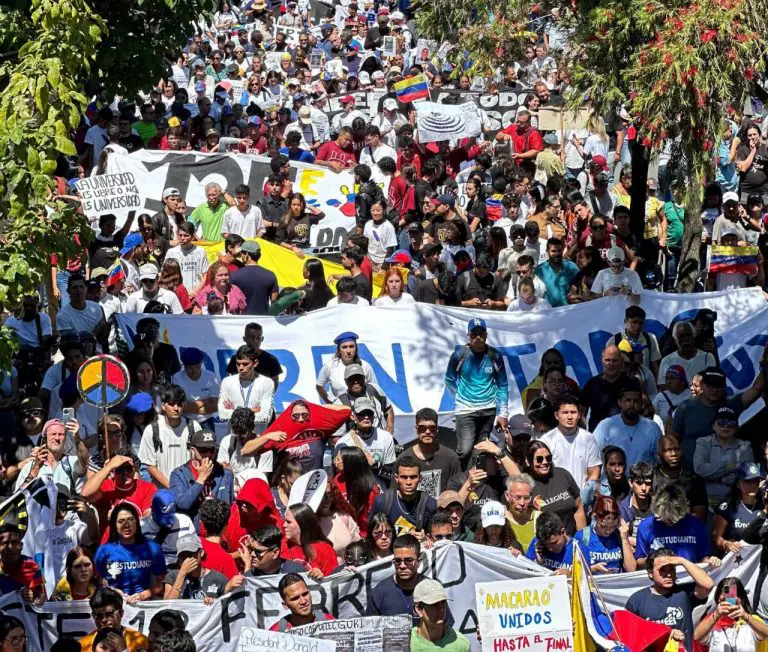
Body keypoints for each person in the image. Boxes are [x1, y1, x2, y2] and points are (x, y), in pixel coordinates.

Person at [444, 317, 509, 469]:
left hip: (488, 409)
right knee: (465, 449)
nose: (478, 337)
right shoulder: (459, 354)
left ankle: (479, 483)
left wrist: (503, 413)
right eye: (474, 334)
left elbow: (502, 385)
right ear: (468, 335)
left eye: (481, 333)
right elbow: (449, 379)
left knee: (482, 449)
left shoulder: (495, 356)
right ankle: (459, 480)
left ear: (486, 335)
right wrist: (458, 398)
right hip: (465, 410)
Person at [673, 364, 765, 468]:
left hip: (724, 474)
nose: (715, 390)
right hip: (689, 473)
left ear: (725, 387)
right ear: (702, 385)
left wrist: (765, 365)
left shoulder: (731, 404)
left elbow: (756, 389)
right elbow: (674, 439)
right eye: (711, 386)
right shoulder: (686, 407)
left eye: (719, 386)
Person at [625, 548, 714, 652]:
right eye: (663, 570)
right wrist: (666, 633)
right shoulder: (636, 600)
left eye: (671, 569)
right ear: (650, 573)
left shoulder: (684, 593)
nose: (668, 574)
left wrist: (682, 560)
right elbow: (630, 636)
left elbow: (708, 585)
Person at [93, 502, 166, 600]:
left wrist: (143, 595)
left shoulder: (152, 548)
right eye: (121, 521)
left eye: (130, 519)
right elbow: (95, 584)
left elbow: (162, 583)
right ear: (114, 525)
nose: (126, 525)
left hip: (143, 603)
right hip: (112, 603)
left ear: (137, 521)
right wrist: (113, 592)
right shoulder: (103, 551)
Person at [138, 385, 202, 488]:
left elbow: (201, 459)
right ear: (163, 406)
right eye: (172, 404)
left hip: (189, 489)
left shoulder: (194, 427)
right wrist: (171, 487)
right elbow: (150, 465)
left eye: (179, 404)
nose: (176, 408)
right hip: (162, 492)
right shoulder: (151, 430)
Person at [634, 484, 713, 568]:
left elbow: (703, 557)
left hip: (690, 577)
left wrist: (710, 561)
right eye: (667, 519)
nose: (670, 523)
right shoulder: (646, 526)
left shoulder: (695, 525)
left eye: (675, 519)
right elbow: (639, 561)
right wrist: (653, 559)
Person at [169, 430, 234, 524]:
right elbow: (182, 505)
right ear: (192, 450)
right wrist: (200, 480)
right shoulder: (179, 474)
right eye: (203, 450)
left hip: (218, 531)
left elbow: (231, 505)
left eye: (212, 450)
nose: (208, 454)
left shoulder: (225, 474)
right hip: (193, 532)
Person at [693, 405, 754, 506]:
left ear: (736, 428)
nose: (726, 426)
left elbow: (747, 473)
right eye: (721, 422)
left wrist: (713, 476)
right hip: (705, 503)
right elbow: (700, 469)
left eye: (731, 423)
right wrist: (732, 466)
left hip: (736, 503)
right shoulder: (702, 442)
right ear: (713, 426)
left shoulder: (745, 446)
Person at [593, 380, 663, 468]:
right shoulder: (605, 426)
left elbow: (660, 459)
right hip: (610, 481)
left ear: (641, 404)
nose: (632, 404)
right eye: (628, 400)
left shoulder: (652, 428)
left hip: (643, 480)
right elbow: (593, 457)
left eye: (636, 401)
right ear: (620, 402)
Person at [540, 395, 601, 490]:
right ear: (556, 415)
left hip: (583, 496)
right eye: (565, 412)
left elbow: (594, 471)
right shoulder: (546, 440)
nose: (569, 417)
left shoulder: (588, 438)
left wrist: (585, 495)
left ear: (579, 415)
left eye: (573, 412)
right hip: (556, 496)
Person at [398, 408, 460, 498]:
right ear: (416, 429)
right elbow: (396, 493)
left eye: (432, 428)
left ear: (437, 429)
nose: (427, 432)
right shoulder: (403, 458)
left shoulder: (450, 457)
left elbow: (457, 491)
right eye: (422, 428)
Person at [369, 456, 438, 537]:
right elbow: (370, 533)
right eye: (404, 477)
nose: (408, 482)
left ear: (420, 479)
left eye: (413, 477)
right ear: (396, 478)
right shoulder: (382, 502)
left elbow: (438, 539)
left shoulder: (430, 504)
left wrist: (426, 540)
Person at [695, 576, 768, 652]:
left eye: (730, 598)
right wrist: (716, 616)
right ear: (718, 599)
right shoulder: (711, 623)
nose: (727, 602)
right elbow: (697, 637)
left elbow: (765, 634)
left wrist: (746, 617)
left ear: (741, 599)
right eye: (723, 599)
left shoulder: (751, 622)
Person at [335, 397, 396, 486]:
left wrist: (375, 466)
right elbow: (341, 475)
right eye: (361, 414)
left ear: (374, 415)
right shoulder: (343, 443)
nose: (366, 417)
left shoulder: (386, 437)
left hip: (380, 495)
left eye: (369, 413)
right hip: (355, 492)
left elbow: (392, 474)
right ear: (353, 416)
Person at [163, 533, 240, 602]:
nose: (186, 560)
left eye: (190, 555)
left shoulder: (218, 579)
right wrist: (182, 574)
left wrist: (214, 602)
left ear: (201, 553)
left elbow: (227, 606)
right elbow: (166, 607)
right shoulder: (173, 576)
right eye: (183, 556)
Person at [712, 461, 763, 555]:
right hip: (737, 563)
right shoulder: (727, 507)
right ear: (738, 484)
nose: (753, 484)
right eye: (748, 481)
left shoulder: (764, 505)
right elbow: (716, 537)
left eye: (756, 480)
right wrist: (726, 544)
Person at [574, 494, 635, 573]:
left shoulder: (619, 535)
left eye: (612, 526)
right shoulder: (583, 536)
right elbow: (574, 570)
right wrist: (593, 568)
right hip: (594, 582)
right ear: (595, 517)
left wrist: (625, 539)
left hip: (617, 582)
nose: (608, 531)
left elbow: (631, 570)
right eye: (603, 526)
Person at [653, 435, 708, 520]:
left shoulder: (694, 480)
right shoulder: (652, 478)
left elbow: (700, 515)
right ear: (658, 454)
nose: (674, 454)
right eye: (668, 450)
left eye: (676, 449)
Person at [79, 588, 149, 652]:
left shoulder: (140, 641)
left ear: (121, 613)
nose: (104, 620)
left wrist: (123, 650)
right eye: (98, 615)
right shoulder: (83, 645)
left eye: (109, 614)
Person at [217, 345, 275, 423]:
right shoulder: (227, 382)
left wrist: (234, 411)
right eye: (238, 364)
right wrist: (252, 411)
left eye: (245, 364)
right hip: (234, 434)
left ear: (255, 363)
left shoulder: (266, 383)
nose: (240, 368)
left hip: (257, 434)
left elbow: (265, 417)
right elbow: (222, 415)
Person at [411, 578, 471, 652]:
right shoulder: (405, 644)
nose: (441, 609)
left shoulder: (462, 645)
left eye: (443, 602)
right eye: (434, 604)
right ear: (419, 609)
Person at [334, 363, 394, 434]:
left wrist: (390, 426)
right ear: (346, 381)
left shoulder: (374, 389)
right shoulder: (340, 403)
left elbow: (388, 408)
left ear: (364, 378)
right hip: (355, 442)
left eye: (358, 378)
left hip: (379, 439)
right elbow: (335, 437)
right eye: (351, 379)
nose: (355, 382)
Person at [316, 332, 375, 403]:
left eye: (351, 346)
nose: (348, 351)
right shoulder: (329, 367)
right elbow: (319, 386)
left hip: (363, 408)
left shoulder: (365, 366)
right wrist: (330, 402)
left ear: (356, 348)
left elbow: (374, 388)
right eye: (344, 347)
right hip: (341, 410)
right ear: (339, 350)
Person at [283, 503, 338, 577]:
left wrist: (321, 576)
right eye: (285, 521)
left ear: (302, 524)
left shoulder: (324, 549)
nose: (284, 525)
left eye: (289, 522)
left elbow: (335, 581)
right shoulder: (282, 546)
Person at [580, 345, 629, 431]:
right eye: (607, 360)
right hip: (597, 437)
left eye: (615, 360)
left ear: (621, 362)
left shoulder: (631, 383)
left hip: (626, 435)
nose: (611, 364)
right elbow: (581, 413)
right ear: (602, 361)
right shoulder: (591, 384)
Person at [658, 321, 716, 391]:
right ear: (675, 340)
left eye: (689, 335)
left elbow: (712, 384)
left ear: (694, 336)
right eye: (681, 336)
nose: (686, 339)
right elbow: (663, 386)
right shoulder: (667, 361)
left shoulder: (708, 358)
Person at [171, 348, 219, 430]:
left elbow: (215, 406)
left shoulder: (210, 376)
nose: (194, 371)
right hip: (185, 420)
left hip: (206, 420)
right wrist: (204, 402)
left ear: (201, 363)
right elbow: (181, 407)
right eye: (189, 368)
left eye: (197, 366)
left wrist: (190, 406)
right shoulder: (177, 378)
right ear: (184, 366)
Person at [269, 573, 335, 632]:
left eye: (305, 594)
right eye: (295, 598)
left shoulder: (330, 622)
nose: (303, 601)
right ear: (285, 605)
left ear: (310, 593)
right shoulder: (275, 633)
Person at [230, 241, 279, 315]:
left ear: (247, 254)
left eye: (241, 253)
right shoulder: (270, 275)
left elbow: (230, 301)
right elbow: (274, 301)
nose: (241, 256)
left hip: (241, 320)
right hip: (263, 319)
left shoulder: (235, 275)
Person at [0, 523, 45, 604]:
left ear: (21, 546)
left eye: (14, 542)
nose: (10, 547)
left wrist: (35, 596)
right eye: (5, 543)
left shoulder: (33, 567)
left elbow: (42, 597)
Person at [534, 238, 579, 307]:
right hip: (548, 311)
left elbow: (581, 286)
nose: (557, 254)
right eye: (553, 251)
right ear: (547, 251)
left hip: (569, 309)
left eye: (559, 250)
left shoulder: (571, 267)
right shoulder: (540, 270)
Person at [504, 474, 540, 550]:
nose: (522, 503)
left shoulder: (538, 518)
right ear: (507, 496)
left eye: (526, 498)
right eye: (517, 497)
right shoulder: (500, 519)